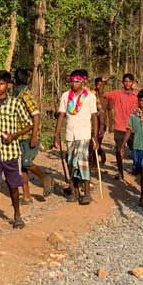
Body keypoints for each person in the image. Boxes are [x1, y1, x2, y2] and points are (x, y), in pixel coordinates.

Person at [0, 71, 34, 235]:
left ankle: (17, 214)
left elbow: (29, 124)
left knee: (13, 186)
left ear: (7, 85)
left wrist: (15, 135)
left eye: (1, 84)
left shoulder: (15, 103)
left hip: (11, 152)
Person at [53, 70, 98, 205]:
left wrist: (95, 137)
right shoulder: (66, 96)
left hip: (84, 134)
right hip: (70, 134)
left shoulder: (90, 97)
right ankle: (74, 191)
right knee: (71, 163)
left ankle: (87, 193)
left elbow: (94, 117)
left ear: (82, 82)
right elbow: (61, 115)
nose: (74, 83)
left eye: (77, 81)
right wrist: (56, 135)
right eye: (72, 81)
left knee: (82, 162)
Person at [13, 68, 53, 201]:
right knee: (21, 166)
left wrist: (35, 135)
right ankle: (26, 196)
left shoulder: (25, 94)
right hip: (19, 135)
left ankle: (45, 178)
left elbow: (35, 115)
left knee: (26, 162)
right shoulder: (16, 94)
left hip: (29, 135)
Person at [104, 74, 138, 180]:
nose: (127, 83)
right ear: (122, 82)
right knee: (119, 150)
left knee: (135, 149)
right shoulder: (117, 93)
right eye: (125, 81)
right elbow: (104, 94)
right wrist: (104, 82)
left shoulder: (136, 95)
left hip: (133, 127)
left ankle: (136, 168)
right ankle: (120, 172)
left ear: (133, 83)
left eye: (129, 81)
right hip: (119, 126)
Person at [91, 77, 108, 167]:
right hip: (92, 123)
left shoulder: (107, 96)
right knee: (93, 141)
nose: (98, 87)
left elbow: (109, 110)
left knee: (98, 142)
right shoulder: (92, 95)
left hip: (102, 123)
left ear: (104, 85)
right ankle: (94, 161)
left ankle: (100, 153)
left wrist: (109, 125)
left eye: (100, 85)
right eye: (97, 85)